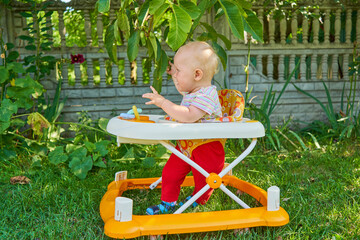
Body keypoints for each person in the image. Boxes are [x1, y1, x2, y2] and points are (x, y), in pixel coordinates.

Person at [142, 41, 225, 215]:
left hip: (207, 147)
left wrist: (164, 103)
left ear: (197, 74)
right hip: (187, 144)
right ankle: (168, 203)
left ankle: (199, 198)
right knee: (170, 173)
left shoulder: (207, 95)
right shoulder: (192, 92)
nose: (176, 75)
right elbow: (182, 86)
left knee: (203, 179)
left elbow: (188, 115)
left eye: (179, 71)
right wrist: (174, 73)